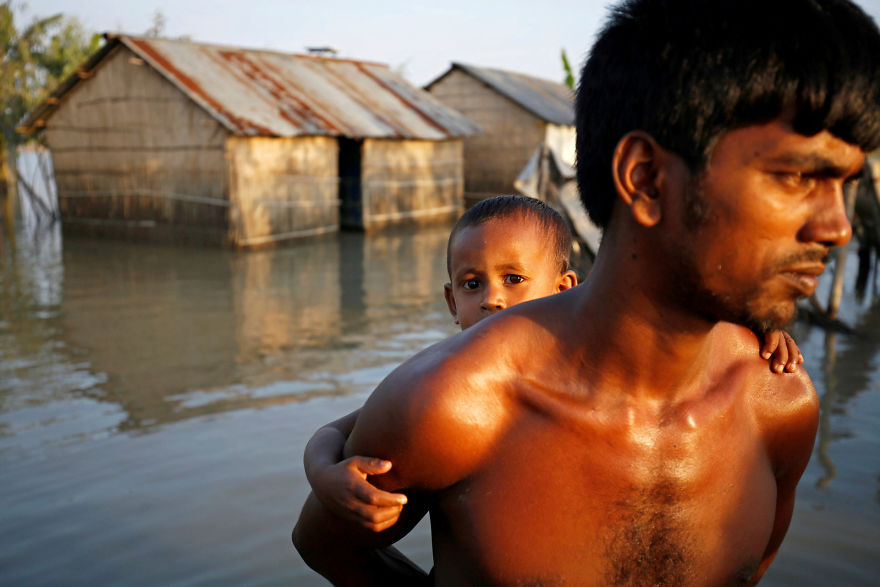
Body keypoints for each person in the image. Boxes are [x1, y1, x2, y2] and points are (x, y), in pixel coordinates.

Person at [294, 0, 880, 583]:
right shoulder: (454, 406)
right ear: (646, 178)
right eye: (797, 177)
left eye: (843, 184)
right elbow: (328, 545)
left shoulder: (781, 406)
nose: (838, 227)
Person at [302, 195, 803, 534]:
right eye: (473, 285)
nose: (493, 298)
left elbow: (665, 323)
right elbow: (337, 429)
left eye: (514, 278)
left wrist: (758, 326)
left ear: (564, 288)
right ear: (453, 303)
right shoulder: (446, 384)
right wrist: (321, 472)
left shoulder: (589, 361)